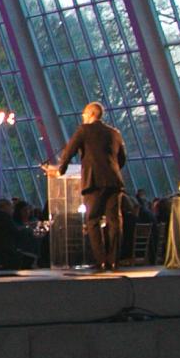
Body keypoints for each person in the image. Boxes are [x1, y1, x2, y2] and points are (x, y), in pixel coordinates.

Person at [56, 101, 128, 273]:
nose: (82, 117)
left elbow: (69, 150)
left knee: (93, 220)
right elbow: (122, 158)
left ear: (91, 114)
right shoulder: (115, 133)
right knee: (114, 221)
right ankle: (114, 261)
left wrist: (61, 169)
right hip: (114, 182)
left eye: (84, 114)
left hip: (94, 182)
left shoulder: (84, 130)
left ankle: (101, 261)